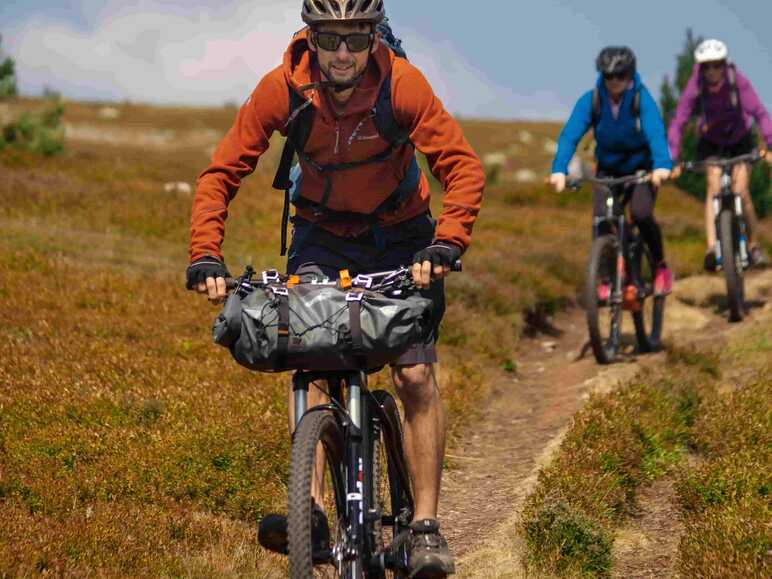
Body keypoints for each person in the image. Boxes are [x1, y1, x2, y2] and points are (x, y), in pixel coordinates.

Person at [185, 1, 485, 576]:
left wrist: (446, 243)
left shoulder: (403, 84)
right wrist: (205, 253)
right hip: (321, 235)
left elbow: (461, 166)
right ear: (311, 37)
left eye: (355, 39)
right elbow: (222, 172)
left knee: (414, 373)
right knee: (311, 355)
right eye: (330, 39)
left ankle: (424, 529)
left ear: (374, 38)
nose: (342, 53)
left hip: (403, 236)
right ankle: (314, 512)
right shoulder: (284, 88)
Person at [550, 46, 674, 298]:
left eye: (620, 76)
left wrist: (662, 165)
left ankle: (660, 266)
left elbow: (655, 133)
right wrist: (559, 170)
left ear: (630, 75)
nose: (614, 82)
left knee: (640, 214)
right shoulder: (592, 100)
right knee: (602, 218)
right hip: (608, 169)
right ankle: (606, 276)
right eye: (608, 76)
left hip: (641, 169)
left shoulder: (642, 99)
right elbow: (570, 135)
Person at [668, 39, 772, 270]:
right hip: (711, 143)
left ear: (724, 64)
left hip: (740, 141)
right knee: (714, 188)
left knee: (741, 191)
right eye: (706, 66)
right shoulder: (695, 86)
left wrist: (770, 145)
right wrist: (672, 158)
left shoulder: (738, 81)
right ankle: (713, 247)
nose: (712, 71)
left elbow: (760, 113)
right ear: (700, 68)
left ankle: (754, 246)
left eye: (716, 65)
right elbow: (679, 121)